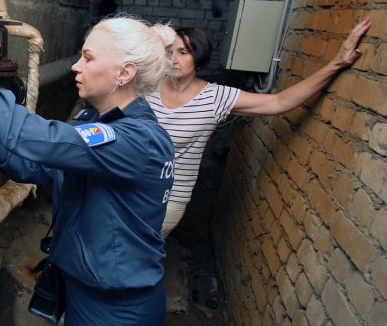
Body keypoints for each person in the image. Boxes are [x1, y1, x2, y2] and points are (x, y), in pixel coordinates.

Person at [0, 16, 176, 326]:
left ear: (124, 73)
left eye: (88, 58)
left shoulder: (136, 140)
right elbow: (31, 167)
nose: (76, 66)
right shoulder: (95, 122)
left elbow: (31, 137)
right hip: (88, 291)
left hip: (115, 309)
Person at [150, 18, 372, 237]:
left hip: (169, 199)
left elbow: (279, 102)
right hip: (132, 188)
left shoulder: (215, 97)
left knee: (141, 252)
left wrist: (336, 63)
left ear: (199, 58)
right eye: (169, 52)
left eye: (183, 52)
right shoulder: (148, 86)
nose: (173, 60)